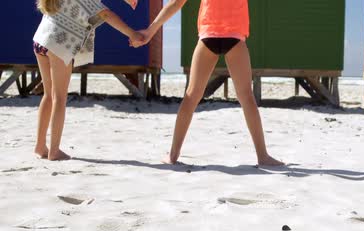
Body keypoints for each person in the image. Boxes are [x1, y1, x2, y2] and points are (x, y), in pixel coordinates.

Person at [132, 0, 284, 166]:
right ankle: (262, 156)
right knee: (246, 97)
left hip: (209, 35)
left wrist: (151, 30)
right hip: (233, 37)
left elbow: (176, 3)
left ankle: (173, 155)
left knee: (191, 97)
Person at [33, 0, 144, 160]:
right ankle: (54, 151)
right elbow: (106, 14)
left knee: (48, 95)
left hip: (41, 40)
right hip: (59, 43)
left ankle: (40, 146)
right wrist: (132, 33)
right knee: (59, 97)